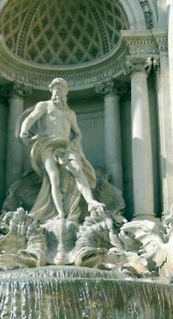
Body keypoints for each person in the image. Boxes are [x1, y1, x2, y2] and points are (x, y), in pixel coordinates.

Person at [19, 78, 104, 223]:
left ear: (65, 92)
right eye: (55, 88)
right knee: (54, 177)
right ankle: (61, 214)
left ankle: (90, 202)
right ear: (51, 90)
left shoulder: (70, 114)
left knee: (78, 170)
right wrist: (24, 130)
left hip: (65, 146)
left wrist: (75, 143)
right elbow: (31, 117)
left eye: (61, 89)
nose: (57, 91)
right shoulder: (44, 106)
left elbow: (77, 133)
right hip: (47, 144)